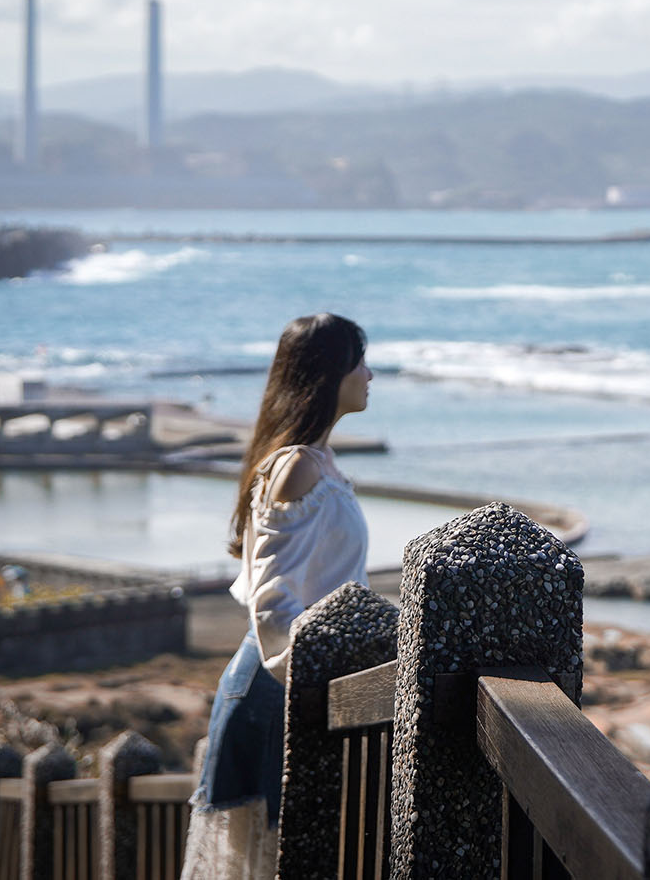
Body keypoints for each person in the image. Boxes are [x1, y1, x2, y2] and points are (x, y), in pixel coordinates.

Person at [182, 312, 373, 879]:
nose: (370, 373)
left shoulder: (316, 462)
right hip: (274, 691)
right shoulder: (296, 467)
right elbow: (270, 602)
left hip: (285, 686)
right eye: (358, 360)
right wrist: (311, 682)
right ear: (328, 373)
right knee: (264, 863)